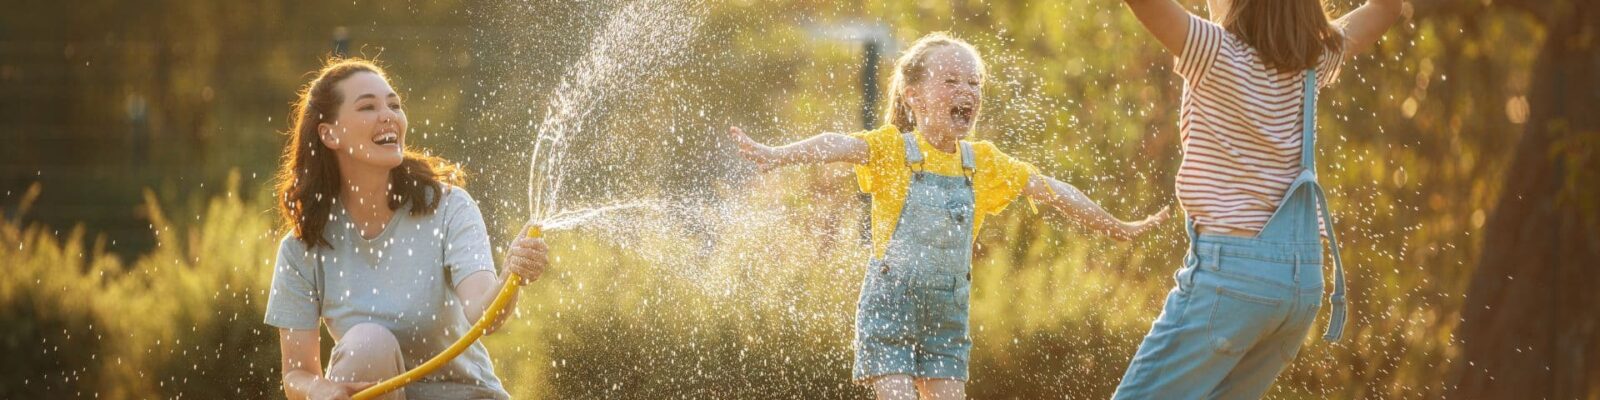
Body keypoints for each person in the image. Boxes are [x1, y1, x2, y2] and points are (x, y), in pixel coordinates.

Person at [729, 32, 1169, 400]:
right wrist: (777, 155)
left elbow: (1055, 191)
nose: (967, 92)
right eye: (952, 81)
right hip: (891, 312)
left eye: (975, 83)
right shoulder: (892, 151)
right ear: (913, 95)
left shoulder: (984, 164)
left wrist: (1118, 226)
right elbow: (836, 144)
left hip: (946, 320)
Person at [1112, 0, 1402, 397]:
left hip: (1232, 280)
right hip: (1299, 289)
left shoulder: (1211, 50)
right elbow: (1388, 8)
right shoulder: (1314, 57)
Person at [265, 58, 549, 400]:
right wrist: (320, 389)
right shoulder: (301, 249)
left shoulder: (449, 207)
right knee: (367, 344)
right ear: (329, 133)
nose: (389, 115)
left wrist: (511, 275)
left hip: (466, 395)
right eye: (368, 106)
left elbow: (483, 316)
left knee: (368, 341)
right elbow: (296, 373)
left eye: (394, 104)